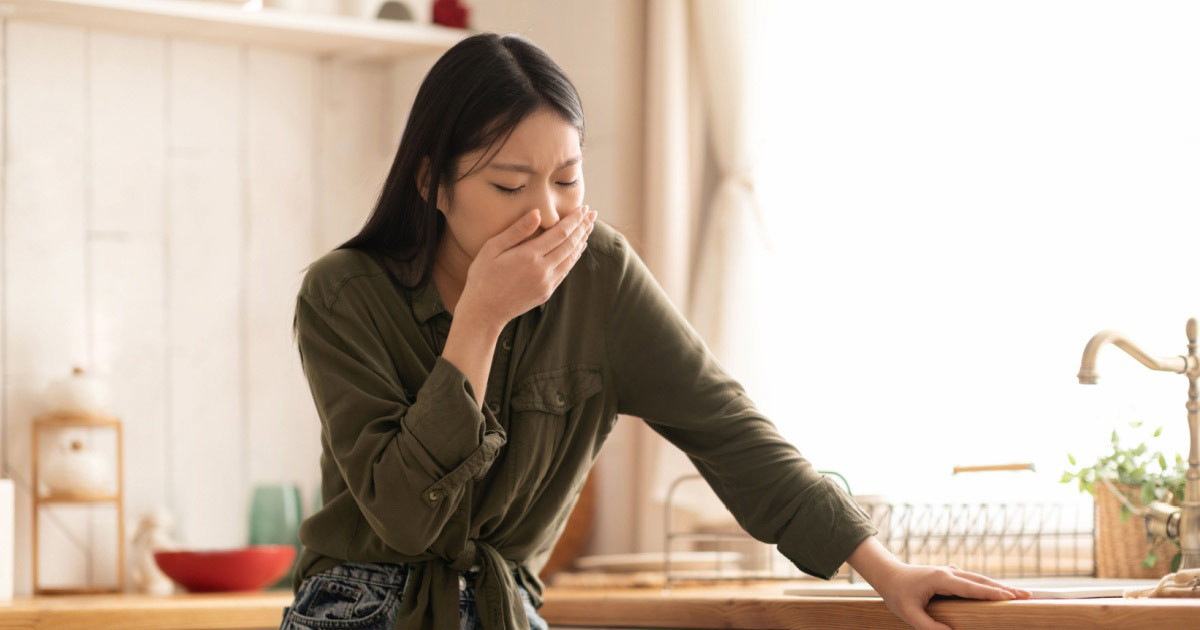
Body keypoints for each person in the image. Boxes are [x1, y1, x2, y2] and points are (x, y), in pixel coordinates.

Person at [278, 31, 1031, 630]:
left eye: (568, 178)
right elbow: (406, 521)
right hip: (361, 605)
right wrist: (480, 319)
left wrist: (883, 568)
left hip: (509, 606)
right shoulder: (342, 295)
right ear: (431, 181)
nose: (546, 213)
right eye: (509, 184)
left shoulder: (600, 276)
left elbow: (728, 430)